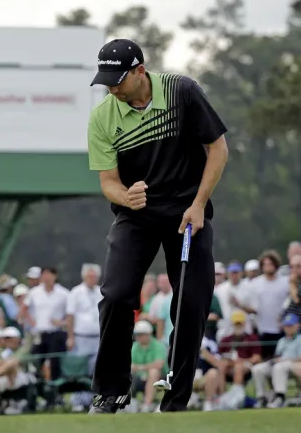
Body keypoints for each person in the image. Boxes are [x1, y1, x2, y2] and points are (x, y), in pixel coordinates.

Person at [86, 39, 229, 413]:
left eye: (117, 79)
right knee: (116, 294)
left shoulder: (182, 92)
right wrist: (124, 195)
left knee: (192, 300)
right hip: (138, 214)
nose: (112, 87)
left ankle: (176, 399)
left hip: (187, 211)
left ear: (139, 71)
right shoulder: (103, 116)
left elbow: (218, 149)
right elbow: (108, 183)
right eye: (106, 81)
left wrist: (199, 206)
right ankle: (111, 390)